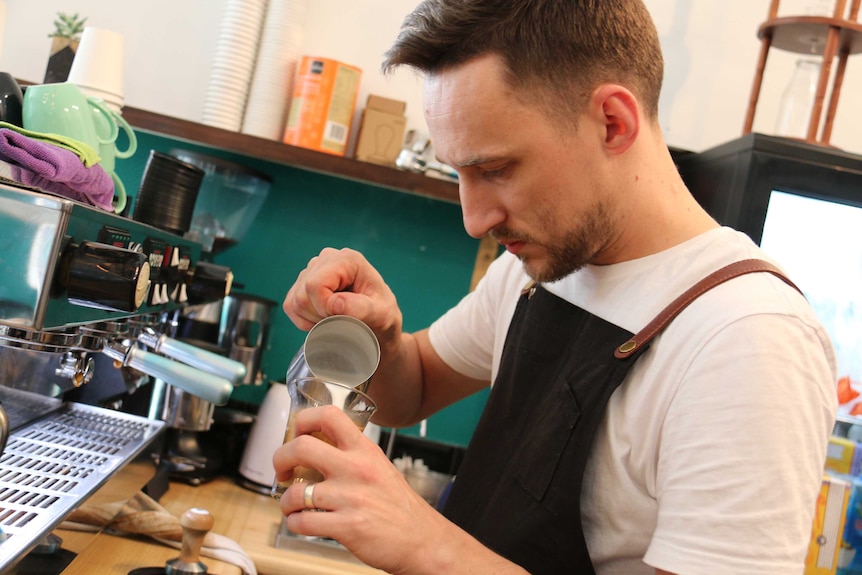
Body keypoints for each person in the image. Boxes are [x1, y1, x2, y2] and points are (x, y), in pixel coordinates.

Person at [274, 1, 838, 573]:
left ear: (613, 123)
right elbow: (412, 391)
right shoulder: (538, 269)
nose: (473, 221)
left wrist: (429, 546)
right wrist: (387, 339)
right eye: (459, 173)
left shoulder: (747, 340)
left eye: (495, 170)